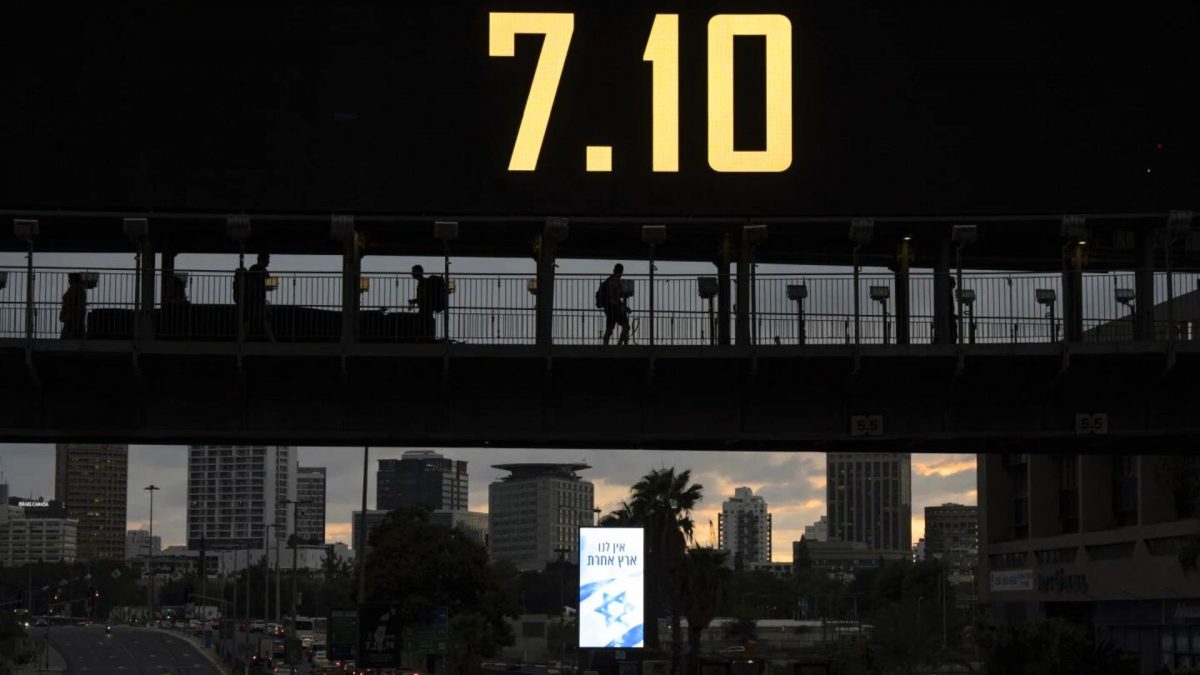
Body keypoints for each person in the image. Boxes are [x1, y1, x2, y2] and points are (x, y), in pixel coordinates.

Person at [235, 254, 275, 341]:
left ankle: (240, 341)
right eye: (268, 260)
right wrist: (274, 283)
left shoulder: (252, 269)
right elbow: (271, 287)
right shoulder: (264, 271)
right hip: (259, 300)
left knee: (248, 322)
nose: (269, 262)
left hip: (250, 300)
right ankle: (273, 342)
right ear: (263, 260)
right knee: (265, 321)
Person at [599, 263, 630, 345]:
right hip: (613, 308)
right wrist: (624, 306)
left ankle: (606, 346)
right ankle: (618, 344)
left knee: (610, 329)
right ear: (620, 272)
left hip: (611, 308)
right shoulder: (615, 281)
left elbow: (615, 296)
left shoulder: (610, 280)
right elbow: (615, 297)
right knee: (625, 327)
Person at [408, 264, 435, 340]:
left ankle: (425, 338)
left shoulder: (424, 282)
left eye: (413, 272)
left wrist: (414, 301)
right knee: (424, 322)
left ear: (418, 272)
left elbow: (425, 296)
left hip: (426, 307)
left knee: (423, 323)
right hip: (425, 307)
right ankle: (426, 337)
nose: (412, 273)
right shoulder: (422, 282)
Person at [60, 272, 87, 338]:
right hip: (74, 317)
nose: (69, 281)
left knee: (67, 338)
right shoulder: (79, 289)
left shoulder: (75, 288)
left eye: (70, 279)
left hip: (72, 317)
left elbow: (69, 300)